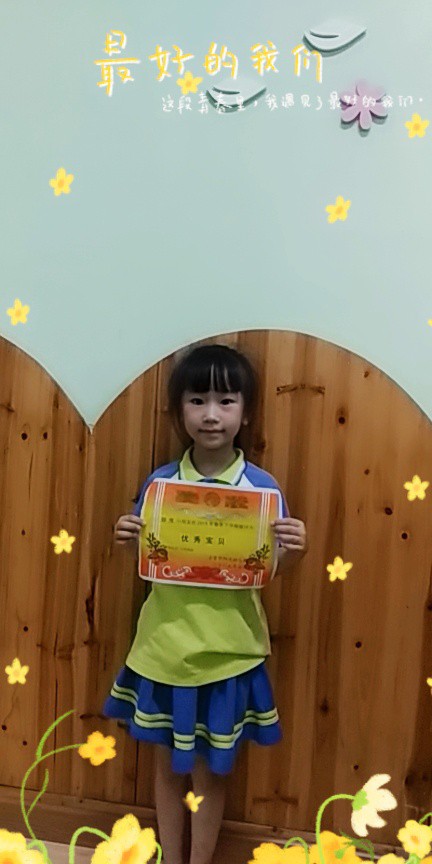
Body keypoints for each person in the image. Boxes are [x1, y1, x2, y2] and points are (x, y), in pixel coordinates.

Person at [103, 343, 308, 864]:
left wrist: (293, 550)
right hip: (164, 651)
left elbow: (270, 571)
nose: (211, 414)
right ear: (179, 411)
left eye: (225, 401)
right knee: (167, 769)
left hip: (228, 655)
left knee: (211, 773)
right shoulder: (160, 484)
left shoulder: (262, 489)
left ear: (245, 412)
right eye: (197, 400)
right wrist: (127, 540)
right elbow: (150, 563)